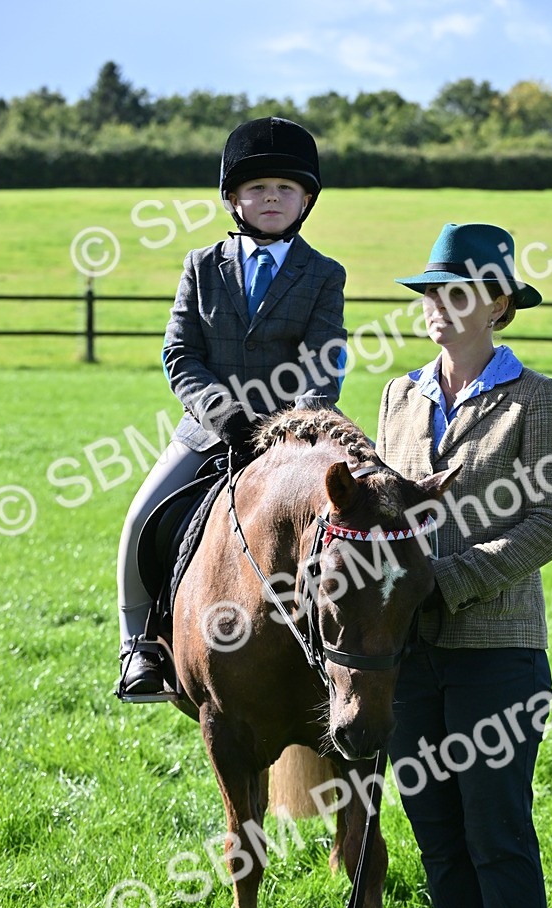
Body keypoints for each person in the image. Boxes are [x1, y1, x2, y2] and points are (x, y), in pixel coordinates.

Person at [376, 223, 552, 908]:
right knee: (434, 822)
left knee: (496, 822)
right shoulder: (396, 396)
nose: (435, 305)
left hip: (498, 647)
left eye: (454, 290)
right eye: (429, 290)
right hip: (405, 654)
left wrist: (447, 580)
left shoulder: (539, 400)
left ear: (496, 304)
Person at [117, 116, 348, 696]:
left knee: (352, 525)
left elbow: (323, 363)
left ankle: (350, 647)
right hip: (206, 433)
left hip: (290, 443)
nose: (271, 198)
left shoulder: (324, 275)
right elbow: (180, 352)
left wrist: (288, 434)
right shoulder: (201, 266)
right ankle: (139, 648)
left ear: (306, 200)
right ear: (232, 198)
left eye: (285, 190)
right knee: (140, 518)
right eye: (257, 189)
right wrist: (225, 416)